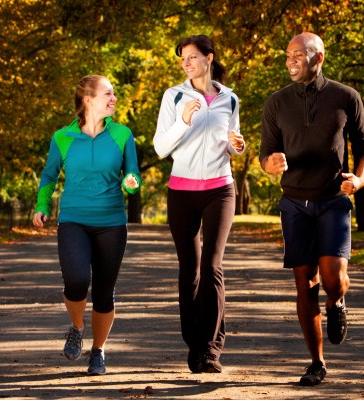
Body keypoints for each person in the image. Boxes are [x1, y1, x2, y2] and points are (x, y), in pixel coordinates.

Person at [260, 32, 364, 386]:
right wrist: (270, 165)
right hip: (294, 202)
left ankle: (337, 303)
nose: (290, 60)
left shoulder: (345, 97)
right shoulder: (276, 103)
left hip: (333, 201)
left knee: (331, 280)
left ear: (318, 57)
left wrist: (360, 179)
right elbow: (266, 153)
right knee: (304, 286)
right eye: (287, 54)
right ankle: (317, 362)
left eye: (298, 54)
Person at [33, 74, 141, 375]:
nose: (114, 99)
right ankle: (77, 327)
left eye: (114, 93)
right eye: (108, 93)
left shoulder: (122, 134)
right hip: (73, 219)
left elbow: (132, 174)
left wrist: (131, 184)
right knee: (77, 281)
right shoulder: (62, 137)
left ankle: (98, 351)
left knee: (104, 292)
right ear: (88, 99)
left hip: (111, 221)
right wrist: (42, 206)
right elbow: (49, 176)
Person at [153, 34, 245, 373]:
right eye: (183, 59)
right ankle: (194, 344)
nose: (186, 63)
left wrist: (238, 145)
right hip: (182, 191)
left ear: (209, 58)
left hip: (220, 189)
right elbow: (161, 147)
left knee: (212, 266)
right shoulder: (174, 96)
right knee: (189, 269)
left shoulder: (230, 99)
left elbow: (231, 143)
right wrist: (183, 121)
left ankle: (211, 349)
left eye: (192, 57)